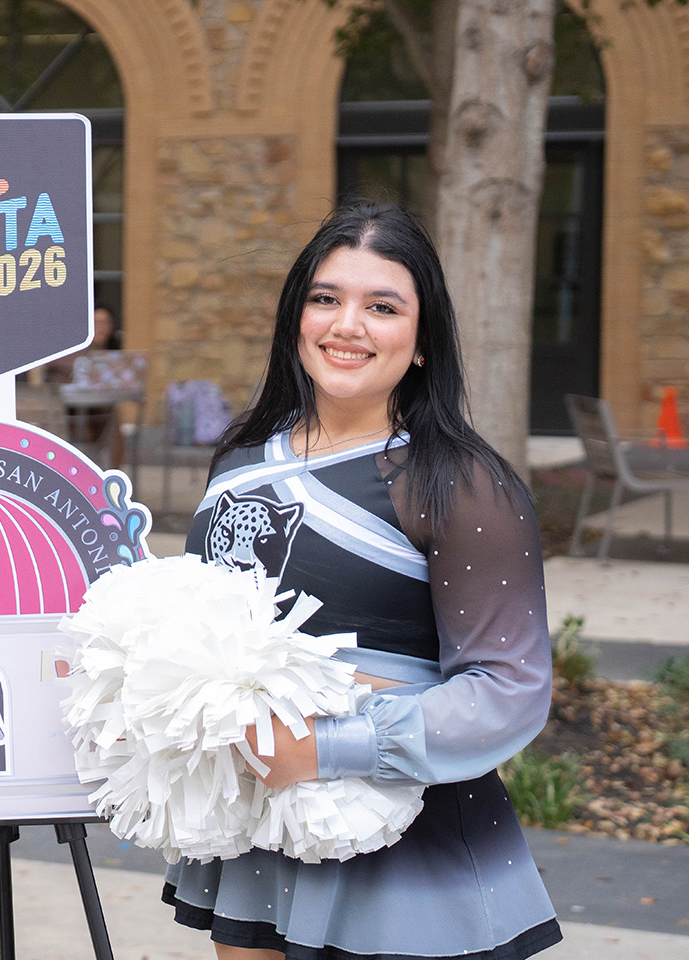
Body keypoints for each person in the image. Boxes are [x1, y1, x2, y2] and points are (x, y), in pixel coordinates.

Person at [165, 204, 560, 960]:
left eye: (382, 307)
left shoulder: (460, 482)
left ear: (422, 340)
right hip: (255, 833)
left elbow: (511, 689)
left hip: (406, 844)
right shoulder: (242, 458)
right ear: (296, 318)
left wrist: (328, 747)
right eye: (326, 298)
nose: (347, 325)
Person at [48, 303, 128, 468]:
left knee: (111, 420)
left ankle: (109, 471)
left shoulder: (112, 354)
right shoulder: (71, 350)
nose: (101, 328)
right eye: (97, 322)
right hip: (73, 411)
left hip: (101, 412)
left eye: (105, 322)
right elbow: (54, 370)